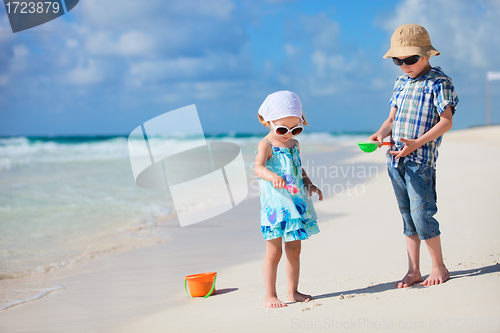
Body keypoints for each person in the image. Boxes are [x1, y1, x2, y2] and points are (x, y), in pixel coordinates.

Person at [369, 24, 459, 288]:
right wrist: (379, 134)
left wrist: (416, 143)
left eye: (410, 59)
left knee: (423, 215)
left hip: (420, 162)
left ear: (427, 55)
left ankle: (439, 266)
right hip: (396, 159)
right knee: (407, 215)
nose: (404, 65)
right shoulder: (400, 82)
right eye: (399, 60)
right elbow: (391, 119)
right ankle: (413, 270)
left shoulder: (439, 82)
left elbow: (446, 121)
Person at [254, 91, 323, 308]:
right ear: (268, 122)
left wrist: (309, 182)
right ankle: (270, 295)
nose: (289, 134)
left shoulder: (294, 144)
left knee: (294, 250)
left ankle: (293, 291)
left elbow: (297, 168)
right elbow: (258, 167)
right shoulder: (266, 144)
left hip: (296, 204)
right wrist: (272, 176)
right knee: (274, 252)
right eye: (283, 129)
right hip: (276, 206)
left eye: (296, 129)